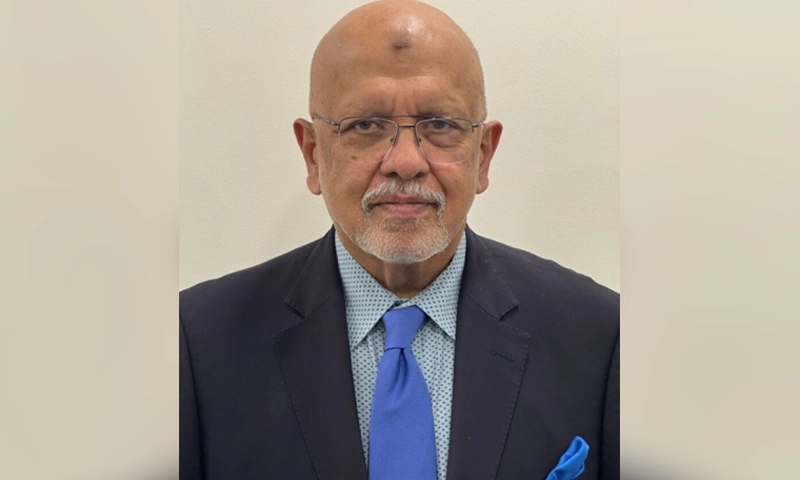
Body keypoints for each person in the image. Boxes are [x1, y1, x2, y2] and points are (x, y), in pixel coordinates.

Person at [179, 1, 619, 479]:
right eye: (365, 125)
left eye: (441, 125)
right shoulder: (197, 346)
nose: (406, 162)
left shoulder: (600, 338)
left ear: (484, 154)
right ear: (312, 154)